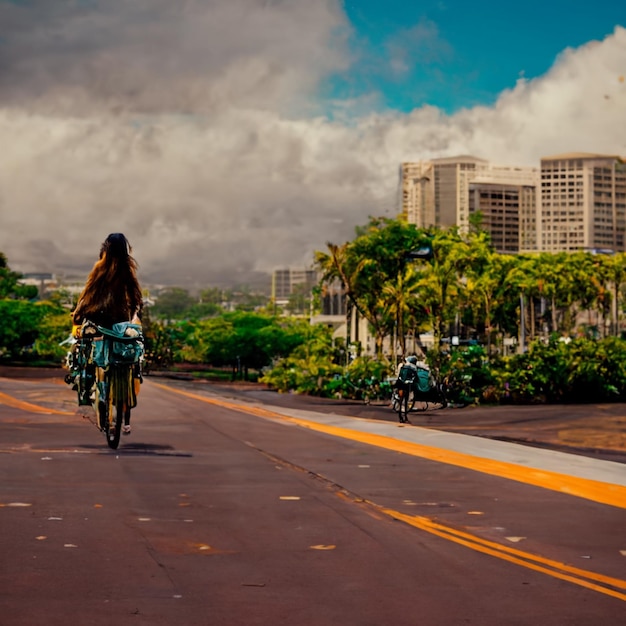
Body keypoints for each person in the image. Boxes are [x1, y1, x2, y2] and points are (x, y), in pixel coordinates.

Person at [72, 233, 143, 434]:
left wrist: (78, 315)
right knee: (125, 358)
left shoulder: (100, 268)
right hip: (120, 322)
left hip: (100, 320)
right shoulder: (127, 269)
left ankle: (92, 393)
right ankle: (119, 403)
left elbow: (88, 293)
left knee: (92, 358)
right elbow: (135, 295)